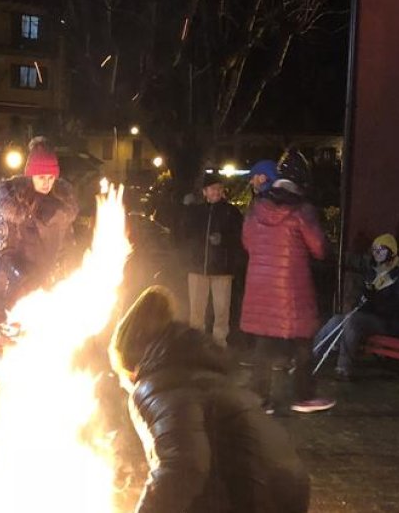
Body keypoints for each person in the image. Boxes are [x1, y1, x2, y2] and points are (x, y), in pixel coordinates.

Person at [109, 285, 310, 513]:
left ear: (131, 362)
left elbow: (182, 466)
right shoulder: (203, 374)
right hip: (286, 492)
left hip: (253, 498)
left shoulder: (156, 386)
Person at [240, 148, 334, 415]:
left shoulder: (257, 208)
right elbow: (319, 248)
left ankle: (261, 399)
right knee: (303, 342)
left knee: (264, 344)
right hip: (292, 288)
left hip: (259, 287)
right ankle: (303, 396)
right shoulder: (302, 211)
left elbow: (247, 241)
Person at [0, 137, 79, 327]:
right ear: (30, 176)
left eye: (51, 177)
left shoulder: (62, 209)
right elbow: (4, 255)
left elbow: (67, 248)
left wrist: (67, 272)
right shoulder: (14, 205)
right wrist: (25, 279)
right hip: (11, 296)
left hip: (47, 296)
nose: (46, 182)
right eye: (41, 177)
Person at [314, 233, 399, 380]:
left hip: (390, 323)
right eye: (374, 249)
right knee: (337, 320)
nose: (377, 253)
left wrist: (377, 300)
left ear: (391, 251)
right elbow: (366, 302)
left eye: (381, 249)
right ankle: (311, 355)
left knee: (353, 321)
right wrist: (365, 300)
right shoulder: (374, 273)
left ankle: (343, 368)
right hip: (373, 318)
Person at [183, 173, 244, 347]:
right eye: (212, 188)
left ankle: (219, 344)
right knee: (196, 310)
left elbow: (240, 237)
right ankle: (196, 343)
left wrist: (223, 239)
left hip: (222, 269)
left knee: (222, 310)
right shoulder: (196, 211)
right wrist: (186, 210)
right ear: (205, 191)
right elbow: (184, 233)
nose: (216, 191)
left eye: (219, 188)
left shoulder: (231, 212)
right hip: (197, 267)